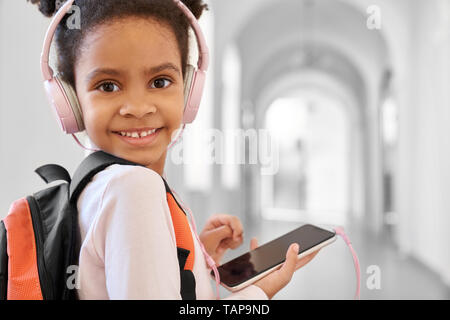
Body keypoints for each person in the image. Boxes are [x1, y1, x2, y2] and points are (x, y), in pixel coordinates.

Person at [29, 0, 319, 300]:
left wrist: (191, 254)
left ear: (188, 89)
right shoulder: (133, 188)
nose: (138, 108)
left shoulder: (99, 186)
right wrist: (259, 292)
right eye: (108, 86)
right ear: (70, 101)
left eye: (160, 81)